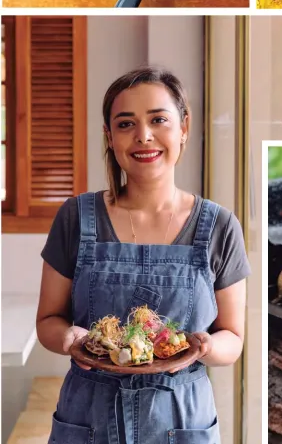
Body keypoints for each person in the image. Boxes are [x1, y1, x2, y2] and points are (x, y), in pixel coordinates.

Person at [37, 66, 250, 443]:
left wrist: (209, 346)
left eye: (158, 120)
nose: (144, 136)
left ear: (183, 128)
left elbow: (233, 337)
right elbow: (49, 320)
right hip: (87, 417)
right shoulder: (75, 216)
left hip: (181, 416)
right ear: (109, 137)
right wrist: (68, 338)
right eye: (125, 124)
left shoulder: (219, 225)